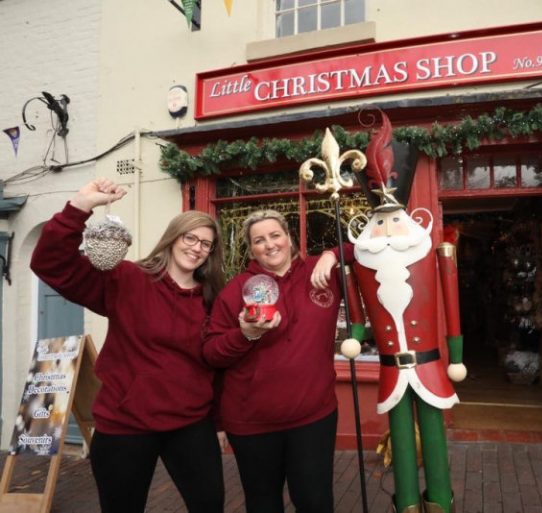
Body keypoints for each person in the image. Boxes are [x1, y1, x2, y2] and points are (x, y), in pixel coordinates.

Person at [30, 178, 226, 513]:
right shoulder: (128, 279)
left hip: (191, 424)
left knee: (209, 505)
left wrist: (218, 423)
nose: (196, 247)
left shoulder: (213, 298)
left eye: (206, 244)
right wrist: (80, 205)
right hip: (125, 424)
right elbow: (51, 264)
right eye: (189, 237)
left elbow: (218, 365)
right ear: (172, 239)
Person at [340, 113, 466, 513]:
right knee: (399, 446)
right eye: (382, 219)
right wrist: (354, 339)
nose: (389, 229)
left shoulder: (432, 251)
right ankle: (408, 504)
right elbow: (358, 317)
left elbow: (452, 308)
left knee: (432, 438)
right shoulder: (359, 260)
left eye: (395, 218)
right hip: (393, 368)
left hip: (428, 365)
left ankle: (440, 502)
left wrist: (457, 359)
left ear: (411, 217)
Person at [202, 209, 348, 513]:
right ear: (251, 248)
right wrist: (246, 333)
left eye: (275, 235)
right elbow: (212, 353)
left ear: (289, 238)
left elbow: (379, 247)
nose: (269, 244)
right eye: (259, 240)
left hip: (313, 415)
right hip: (251, 421)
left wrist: (334, 254)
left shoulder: (321, 273)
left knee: (315, 501)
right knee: (263, 503)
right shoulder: (236, 292)